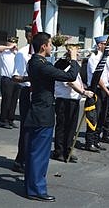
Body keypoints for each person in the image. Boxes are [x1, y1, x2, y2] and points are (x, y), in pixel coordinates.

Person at [23, 32, 80, 202]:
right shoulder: (40, 64)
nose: (51, 47)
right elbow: (71, 76)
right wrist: (75, 59)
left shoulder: (37, 62)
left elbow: (54, 70)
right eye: (49, 44)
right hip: (43, 113)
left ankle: (31, 186)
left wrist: (66, 58)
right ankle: (36, 190)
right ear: (43, 46)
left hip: (39, 111)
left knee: (35, 152)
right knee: (39, 154)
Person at [52, 44, 94, 163]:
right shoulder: (63, 64)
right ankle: (59, 151)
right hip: (64, 100)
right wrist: (83, 91)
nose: (79, 55)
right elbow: (69, 82)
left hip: (73, 100)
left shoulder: (73, 65)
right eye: (77, 52)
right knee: (63, 126)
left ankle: (68, 149)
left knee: (71, 127)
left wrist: (83, 88)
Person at [85, 35, 109, 152]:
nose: (107, 46)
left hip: (105, 90)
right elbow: (98, 78)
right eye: (105, 44)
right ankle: (89, 142)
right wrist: (107, 91)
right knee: (93, 117)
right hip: (97, 90)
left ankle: (96, 141)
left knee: (102, 116)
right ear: (99, 45)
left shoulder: (104, 57)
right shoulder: (94, 58)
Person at [11, 25, 33, 173]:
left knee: (36, 129)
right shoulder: (22, 53)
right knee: (26, 128)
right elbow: (16, 77)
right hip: (27, 90)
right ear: (28, 36)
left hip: (39, 93)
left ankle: (31, 159)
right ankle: (21, 161)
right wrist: (31, 77)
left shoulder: (42, 53)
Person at [0, 36, 20, 129]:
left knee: (14, 101)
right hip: (7, 79)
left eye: (14, 43)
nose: (13, 45)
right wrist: (9, 47)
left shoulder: (17, 53)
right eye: (11, 43)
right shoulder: (3, 52)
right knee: (7, 100)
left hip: (16, 79)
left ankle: (11, 119)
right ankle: (3, 120)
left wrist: (15, 50)